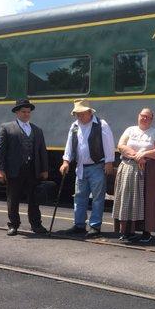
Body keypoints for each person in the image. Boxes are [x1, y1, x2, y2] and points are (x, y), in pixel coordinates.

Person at [60, 99, 115, 237]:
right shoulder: (74, 126)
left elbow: (109, 144)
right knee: (79, 197)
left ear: (89, 112)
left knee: (97, 197)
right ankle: (79, 225)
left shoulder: (101, 124)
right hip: (81, 167)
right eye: (77, 114)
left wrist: (109, 162)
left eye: (81, 113)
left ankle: (95, 226)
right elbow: (69, 145)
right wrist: (66, 161)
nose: (79, 116)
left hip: (97, 166)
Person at [0, 99, 49, 236]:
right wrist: (0, 170)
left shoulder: (37, 130)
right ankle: (13, 225)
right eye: (23, 112)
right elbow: (0, 151)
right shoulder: (6, 128)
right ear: (17, 113)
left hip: (33, 170)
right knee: (13, 198)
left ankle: (36, 224)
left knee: (34, 199)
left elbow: (42, 151)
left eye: (28, 112)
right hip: (15, 169)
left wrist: (44, 169)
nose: (26, 114)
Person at [113, 108, 155, 242]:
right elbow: (121, 146)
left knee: (148, 200)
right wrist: (137, 156)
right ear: (138, 116)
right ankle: (127, 231)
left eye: (148, 117)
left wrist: (145, 154)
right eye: (143, 116)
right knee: (127, 199)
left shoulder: (154, 133)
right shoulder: (130, 130)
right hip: (129, 167)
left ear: (152, 119)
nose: (145, 118)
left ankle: (146, 232)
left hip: (148, 170)